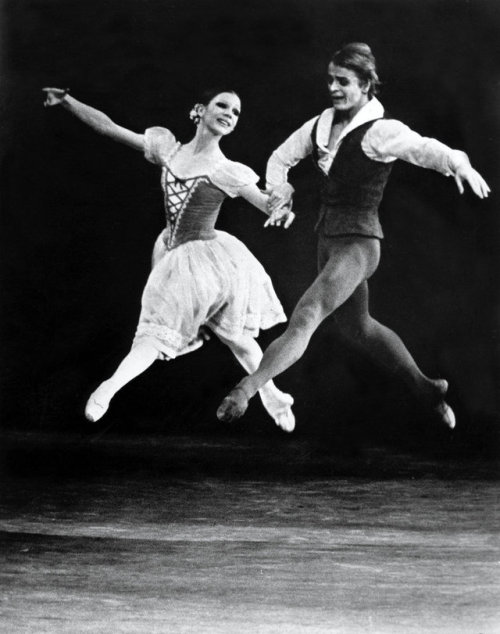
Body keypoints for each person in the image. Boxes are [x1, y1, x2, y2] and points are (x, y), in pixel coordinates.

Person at [217, 42, 490, 430]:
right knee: (356, 326)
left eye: (343, 81)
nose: (333, 87)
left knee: (306, 317)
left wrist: (457, 163)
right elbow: (279, 158)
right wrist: (281, 191)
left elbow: (424, 148)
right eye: (330, 79)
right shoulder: (322, 124)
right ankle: (427, 389)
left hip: (360, 244)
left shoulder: (382, 131)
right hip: (327, 240)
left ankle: (245, 390)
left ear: (365, 85)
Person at [42, 86, 296, 431]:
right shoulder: (169, 150)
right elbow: (109, 128)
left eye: (236, 112)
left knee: (207, 335)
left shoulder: (225, 169)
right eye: (222, 105)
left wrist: (283, 204)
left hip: (206, 260)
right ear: (200, 110)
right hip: (170, 251)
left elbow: (267, 203)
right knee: (227, 337)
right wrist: (67, 100)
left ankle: (107, 389)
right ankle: (274, 395)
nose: (229, 114)